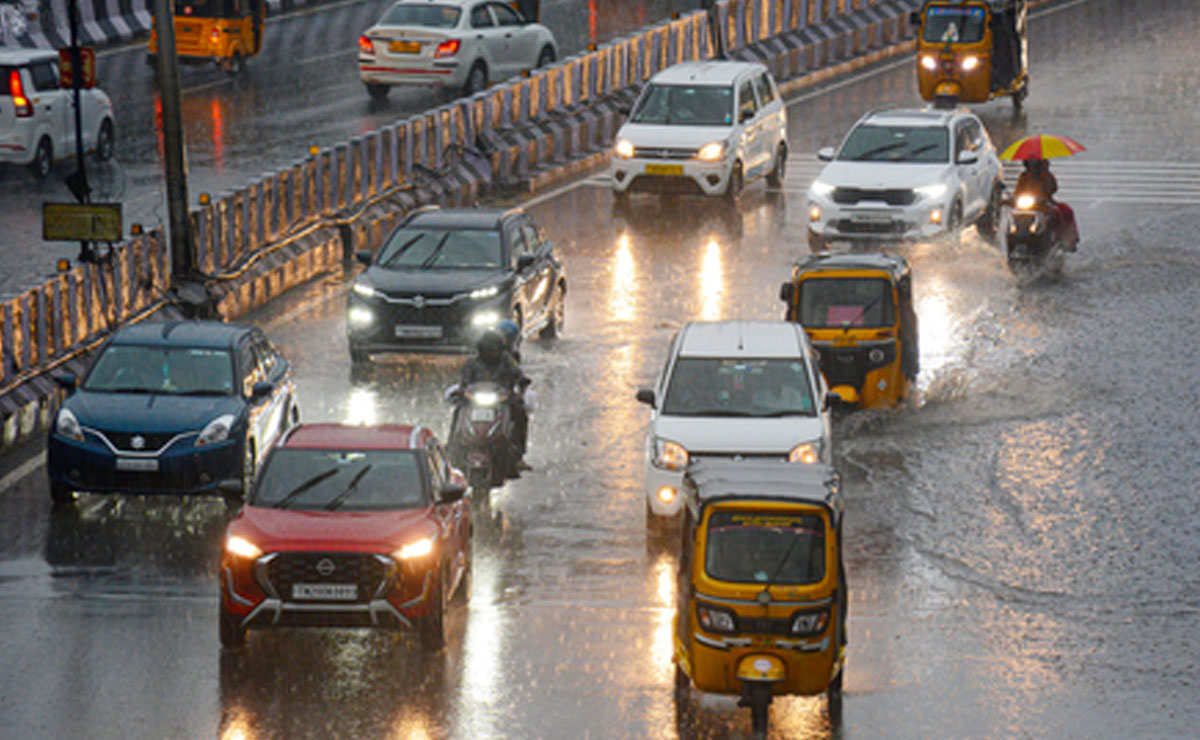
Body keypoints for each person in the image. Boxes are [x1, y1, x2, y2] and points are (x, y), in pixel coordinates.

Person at [459, 330, 531, 473]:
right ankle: (454, 446)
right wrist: (462, 392)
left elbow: (519, 376)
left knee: (520, 415)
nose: (493, 354)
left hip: (501, 401)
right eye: (489, 351)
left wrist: (520, 392)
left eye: (495, 351)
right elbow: (464, 382)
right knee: (458, 411)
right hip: (475, 401)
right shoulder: (472, 363)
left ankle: (518, 456)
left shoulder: (507, 361)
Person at [1015, 158, 1077, 251]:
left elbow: (1053, 188)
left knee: (1062, 211)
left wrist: (1046, 182)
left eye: (1036, 164)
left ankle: (1061, 237)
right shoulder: (1024, 176)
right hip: (1027, 205)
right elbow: (1017, 191)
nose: (1033, 167)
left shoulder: (1046, 176)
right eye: (1031, 164)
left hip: (1044, 204)